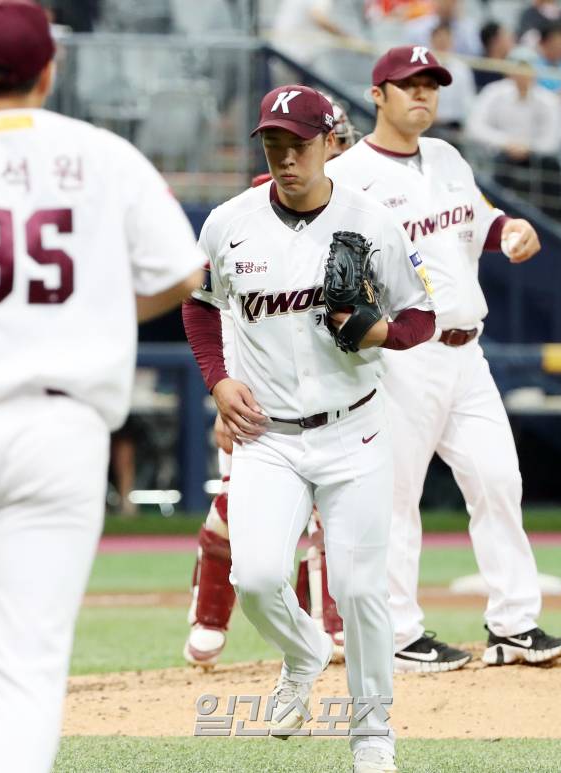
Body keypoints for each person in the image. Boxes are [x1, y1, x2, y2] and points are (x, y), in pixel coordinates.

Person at [183, 84, 435, 773]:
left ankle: (372, 733)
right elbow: (199, 306)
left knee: (359, 589)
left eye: (299, 143)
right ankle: (303, 651)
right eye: (273, 143)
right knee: (258, 576)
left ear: (333, 142)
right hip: (267, 433)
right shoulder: (229, 221)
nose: (286, 157)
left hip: (354, 431)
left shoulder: (372, 221)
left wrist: (380, 330)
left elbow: (422, 317)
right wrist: (218, 378)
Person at [0, 3, 205, 773]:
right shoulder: (102, 154)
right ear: (50, 71)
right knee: (28, 662)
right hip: (60, 430)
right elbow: (184, 274)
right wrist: (99, 305)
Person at [326, 45, 561, 672]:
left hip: (468, 352)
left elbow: (478, 220)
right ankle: (398, 633)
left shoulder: (446, 157)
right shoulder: (350, 176)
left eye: (432, 85)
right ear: (377, 95)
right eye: (408, 85)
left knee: (499, 480)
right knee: (396, 496)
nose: (423, 95)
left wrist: (510, 229)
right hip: (401, 357)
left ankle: (514, 624)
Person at [183, 100, 358, 669]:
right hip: (252, 384)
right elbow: (212, 306)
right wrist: (221, 386)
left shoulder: (359, 209)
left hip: (330, 394)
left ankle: (328, 625)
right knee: (239, 510)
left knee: (332, 511)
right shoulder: (257, 206)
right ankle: (210, 605)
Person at [466, 46, 561, 213]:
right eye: (518, 68)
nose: (522, 74)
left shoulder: (549, 101)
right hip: (501, 154)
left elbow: (552, 141)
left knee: (552, 167)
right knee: (498, 166)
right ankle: (493, 213)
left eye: (527, 69)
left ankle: (556, 218)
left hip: (536, 157)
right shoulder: (493, 93)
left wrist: (528, 147)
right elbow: (475, 127)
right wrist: (506, 142)